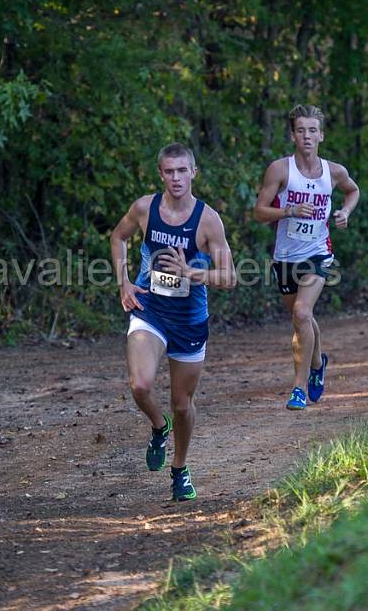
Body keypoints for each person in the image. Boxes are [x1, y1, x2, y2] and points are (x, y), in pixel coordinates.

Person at [110, 143, 236, 501]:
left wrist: (191, 273)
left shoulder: (208, 220)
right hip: (150, 309)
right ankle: (157, 426)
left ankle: (179, 469)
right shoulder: (145, 209)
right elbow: (118, 237)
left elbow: (229, 277)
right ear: (160, 174)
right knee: (140, 384)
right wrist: (124, 282)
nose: (176, 178)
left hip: (189, 321)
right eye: (169, 171)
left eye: (183, 171)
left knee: (182, 404)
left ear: (193, 172)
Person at [253, 104, 360, 410]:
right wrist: (288, 210)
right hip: (285, 257)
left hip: (318, 253)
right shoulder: (279, 169)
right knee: (302, 318)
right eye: (301, 130)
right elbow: (259, 212)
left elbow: (353, 192)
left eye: (313, 130)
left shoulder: (334, 171)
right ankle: (317, 361)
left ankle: (298, 388)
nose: (307, 136)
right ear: (293, 136)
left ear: (321, 135)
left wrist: (344, 212)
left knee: (302, 312)